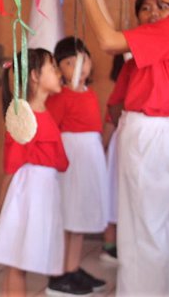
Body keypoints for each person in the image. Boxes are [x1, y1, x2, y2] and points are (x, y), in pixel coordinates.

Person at [73, 0, 169, 296]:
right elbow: (123, 44)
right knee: (166, 228)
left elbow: (108, 41)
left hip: (154, 132)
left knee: (142, 232)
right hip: (167, 131)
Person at [0, 49, 71, 297]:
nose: (58, 72)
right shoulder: (24, 118)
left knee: (19, 260)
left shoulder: (44, 112)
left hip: (43, 191)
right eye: (52, 67)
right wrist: (3, 203)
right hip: (28, 193)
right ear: (34, 76)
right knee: (17, 262)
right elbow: (12, 167)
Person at [101, 0, 169, 263]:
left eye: (160, 6)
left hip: (164, 138)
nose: (153, 13)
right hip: (137, 140)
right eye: (145, 8)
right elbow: (115, 104)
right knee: (142, 216)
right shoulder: (132, 63)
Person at [45, 37, 108, 294]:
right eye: (70, 63)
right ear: (59, 70)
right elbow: (50, 130)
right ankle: (58, 275)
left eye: (83, 60)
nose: (79, 67)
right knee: (67, 217)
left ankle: (72, 268)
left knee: (80, 216)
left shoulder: (90, 94)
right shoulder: (60, 97)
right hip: (70, 164)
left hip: (89, 161)